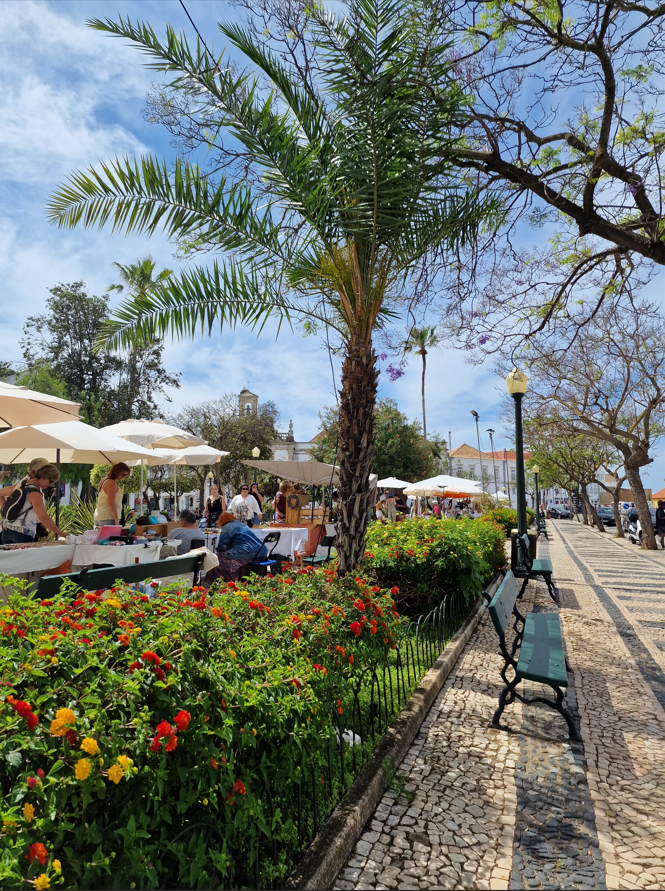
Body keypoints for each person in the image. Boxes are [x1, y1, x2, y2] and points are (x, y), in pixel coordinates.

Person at [1, 464, 64, 543]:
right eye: (51, 481)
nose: (50, 485)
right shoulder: (35, 493)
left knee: (8, 556)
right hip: (22, 534)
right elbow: (44, 518)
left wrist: (4, 507)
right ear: (43, 476)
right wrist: (62, 533)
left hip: (7, 532)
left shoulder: (21, 485)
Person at [208, 511, 267, 583]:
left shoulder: (226, 527)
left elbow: (223, 547)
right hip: (262, 551)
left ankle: (225, 581)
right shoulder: (243, 525)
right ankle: (241, 578)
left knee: (218, 557)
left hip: (248, 551)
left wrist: (217, 549)